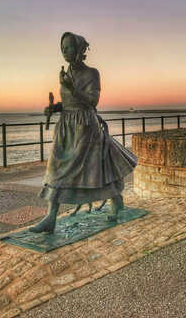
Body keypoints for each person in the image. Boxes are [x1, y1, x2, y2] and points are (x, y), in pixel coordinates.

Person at [29, 32, 136, 234]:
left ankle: (116, 200)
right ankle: (50, 217)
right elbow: (69, 102)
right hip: (66, 129)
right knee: (55, 169)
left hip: (86, 127)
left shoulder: (92, 74)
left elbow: (92, 102)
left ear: (79, 49)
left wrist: (71, 88)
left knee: (97, 168)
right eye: (62, 48)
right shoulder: (65, 74)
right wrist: (55, 108)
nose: (64, 51)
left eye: (68, 47)